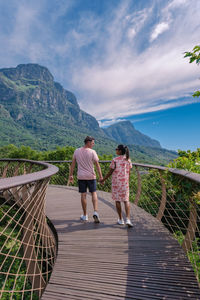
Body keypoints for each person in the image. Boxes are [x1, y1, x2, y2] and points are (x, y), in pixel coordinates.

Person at [68, 136, 103, 223]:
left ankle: (85, 215)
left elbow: (73, 164)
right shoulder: (92, 152)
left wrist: (71, 175)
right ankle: (95, 212)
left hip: (81, 176)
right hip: (91, 176)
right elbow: (97, 165)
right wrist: (101, 177)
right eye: (93, 143)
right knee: (93, 193)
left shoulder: (77, 151)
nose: (93, 144)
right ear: (88, 142)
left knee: (83, 195)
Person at [99, 144, 133, 227]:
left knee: (117, 201)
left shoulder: (115, 160)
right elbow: (129, 172)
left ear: (120, 151)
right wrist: (128, 181)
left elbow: (110, 172)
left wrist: (103, 180)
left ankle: (121, 219)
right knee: (126, 200)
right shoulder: (128, 160)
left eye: (116, 149)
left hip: (116, 183)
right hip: (125, 183)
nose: (115, 150)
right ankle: (128, 219)